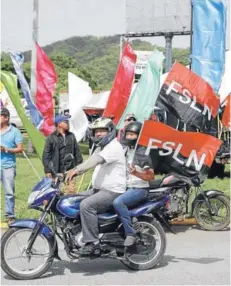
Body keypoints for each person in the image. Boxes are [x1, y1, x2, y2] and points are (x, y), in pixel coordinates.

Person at [65, 117, 126, 255]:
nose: (98, 134)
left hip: (112, 191)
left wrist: (76, 170)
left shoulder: (113, 147)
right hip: (99, 190)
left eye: (102, 131)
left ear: (110, 131)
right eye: (96, 131)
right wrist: (64, 174)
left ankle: (93, 242)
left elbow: (95, 161)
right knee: (72, 199)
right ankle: (77, 230)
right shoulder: (101, 147)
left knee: (86, 205)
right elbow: (91, 162)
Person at [113, 121, 154, 246]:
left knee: (118, 202)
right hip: (127, 187)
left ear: (139, 136)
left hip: (139, 188)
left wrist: (136, 173)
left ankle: (130, 233)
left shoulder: (142, 153)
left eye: (133, 135)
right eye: (128, 134)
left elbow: (151, 176)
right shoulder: (127, 150)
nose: (129, 137)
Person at [42, 114, 83, 194]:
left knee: (71, 192)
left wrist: (79, 166)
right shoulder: (51, 138)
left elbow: (77, 151)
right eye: (65, 122)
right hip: (56, 171)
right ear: (59, 124)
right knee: (55, 193)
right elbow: (46, 156)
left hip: (70, 170)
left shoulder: (71, 136)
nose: (68, 123)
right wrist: (48, 171)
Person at [0, 108, 24, 224]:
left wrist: (6, 149)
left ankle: (10, 215)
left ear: (6, 118)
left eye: (0, 116)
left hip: (8, 166)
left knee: (9, 192)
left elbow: (20, 149)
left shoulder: (14, 131)